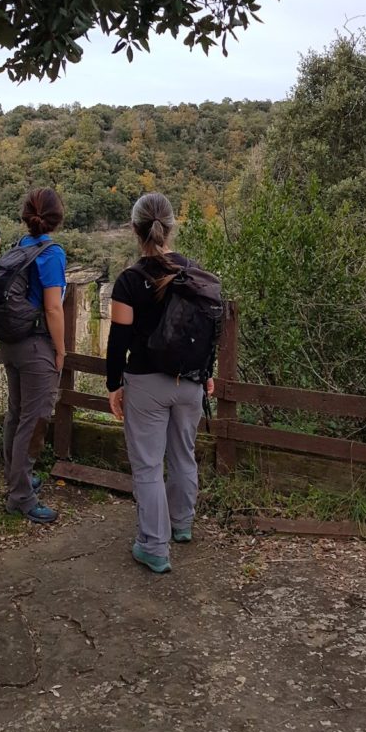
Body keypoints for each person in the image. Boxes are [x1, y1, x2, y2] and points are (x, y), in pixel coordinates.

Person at [105, 192, 215, 573]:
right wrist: (207, 374)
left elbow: (118, 340)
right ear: (170, 226)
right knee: (183, 455)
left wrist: (112, 384)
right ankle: (180, 526)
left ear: (135, 229)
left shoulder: (130, 281)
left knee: (149, 466)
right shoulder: (196, 273)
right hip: (191, 383)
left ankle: (154, 546)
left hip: (147, 384)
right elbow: (206, 330)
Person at [1, 188, 66, 524]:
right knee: (35, 418)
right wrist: (62, 350)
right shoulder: (52, 253)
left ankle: (16, 479)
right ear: (57, 217)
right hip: (36, 344)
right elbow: (53, 308)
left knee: (16, 413)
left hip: (11, 342)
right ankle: (21, 497)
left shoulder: (19, 247)